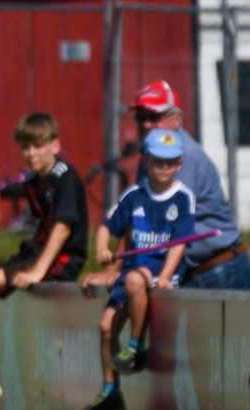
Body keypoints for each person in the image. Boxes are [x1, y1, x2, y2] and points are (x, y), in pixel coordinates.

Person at [0, 112, 88, 410]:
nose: (31, 153)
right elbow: (10, 193)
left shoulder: (65, 177)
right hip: (36, 254)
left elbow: (63, 227)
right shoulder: (34, 181)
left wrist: (39, 270)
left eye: (38, 145)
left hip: (59, 259)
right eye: (25, 147)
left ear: (55, 146)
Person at [85, 79, 248, 293]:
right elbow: (136, 216)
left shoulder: (182, 157)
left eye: (154, 117)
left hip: (221, 270)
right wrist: (114, 270)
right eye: (140, 117)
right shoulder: (152, 155)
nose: (146, 124)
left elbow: (152, 224)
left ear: (177, 118)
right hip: (191, 269)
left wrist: (118, 271)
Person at [80, 129, 194, 410]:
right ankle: (111, 392)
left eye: (171, 161)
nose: (164, 166)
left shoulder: (183, 198)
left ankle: (136, 347)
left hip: (160, 270)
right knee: (106, 327)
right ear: (145, 161)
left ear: (180, 163)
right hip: (133, 271)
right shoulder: (133, 195)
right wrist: (102, 248)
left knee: (133, 278)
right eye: (158, 161)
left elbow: (179, 245)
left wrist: (165, 276)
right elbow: (106, 227)